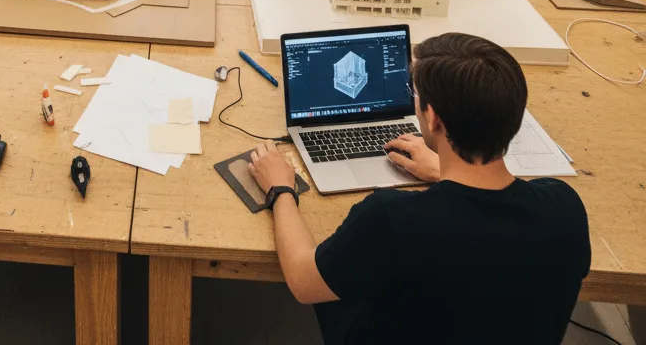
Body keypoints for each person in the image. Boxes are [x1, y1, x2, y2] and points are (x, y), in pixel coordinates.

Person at [247, 32, 590, 345]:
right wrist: (445, 169)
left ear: (433, 118)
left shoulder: (391, 218)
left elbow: (303, 282)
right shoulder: (565, 208)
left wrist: (281, 189)